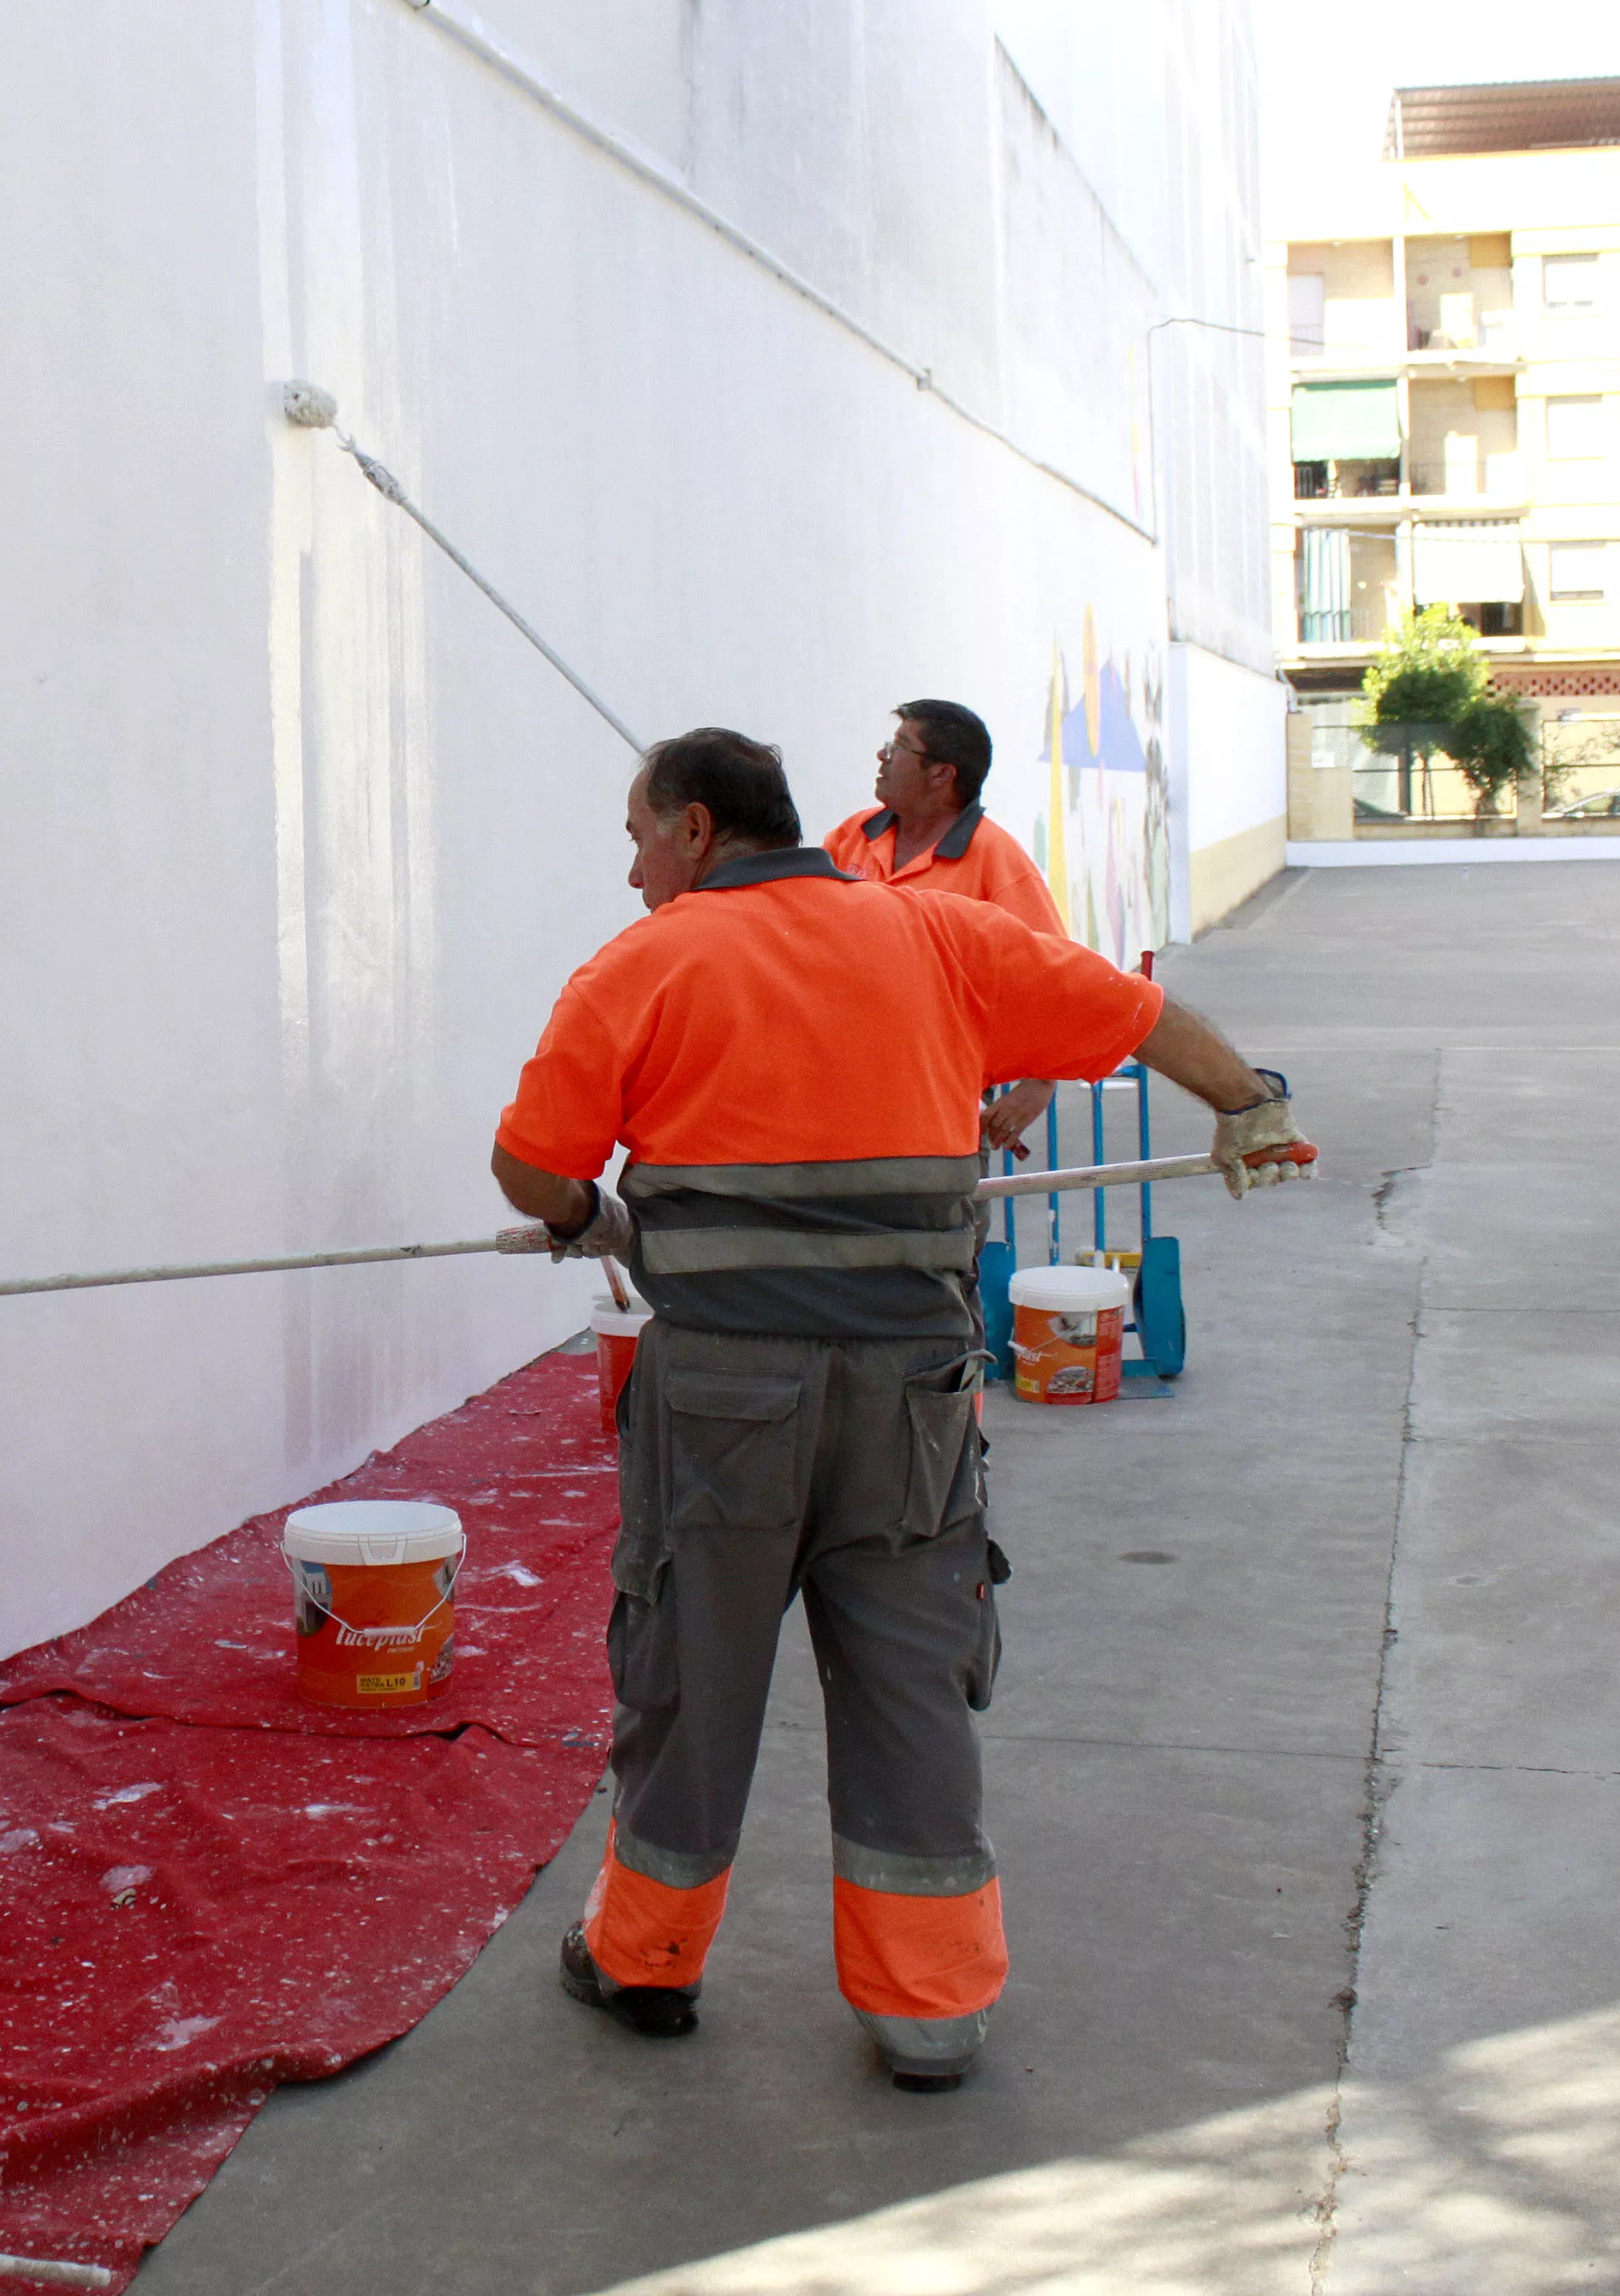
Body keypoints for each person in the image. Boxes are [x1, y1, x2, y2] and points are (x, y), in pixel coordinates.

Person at [491, 727, 1313, 2091]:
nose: (632, 868)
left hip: (722, 1405)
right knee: (908, 1683)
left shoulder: (644, 963)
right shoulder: (938, 937)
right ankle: (929, 2008)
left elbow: (529, 1167)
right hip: (915, 1401)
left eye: (640, 837)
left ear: (697, 832)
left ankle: (645, 1963)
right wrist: (1252, 1107)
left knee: (692, 1674)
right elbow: (1131, 1012)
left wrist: (599, 1221)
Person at [830, 699, 1069, 1156]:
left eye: (899, 747)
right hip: (841, 1089)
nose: (883, 756)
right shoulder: (851, 838)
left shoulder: (996, 860)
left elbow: (1054, 978)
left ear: (943, 774)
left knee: (940, 1223)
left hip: (942, 1103)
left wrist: (1040, 1084)